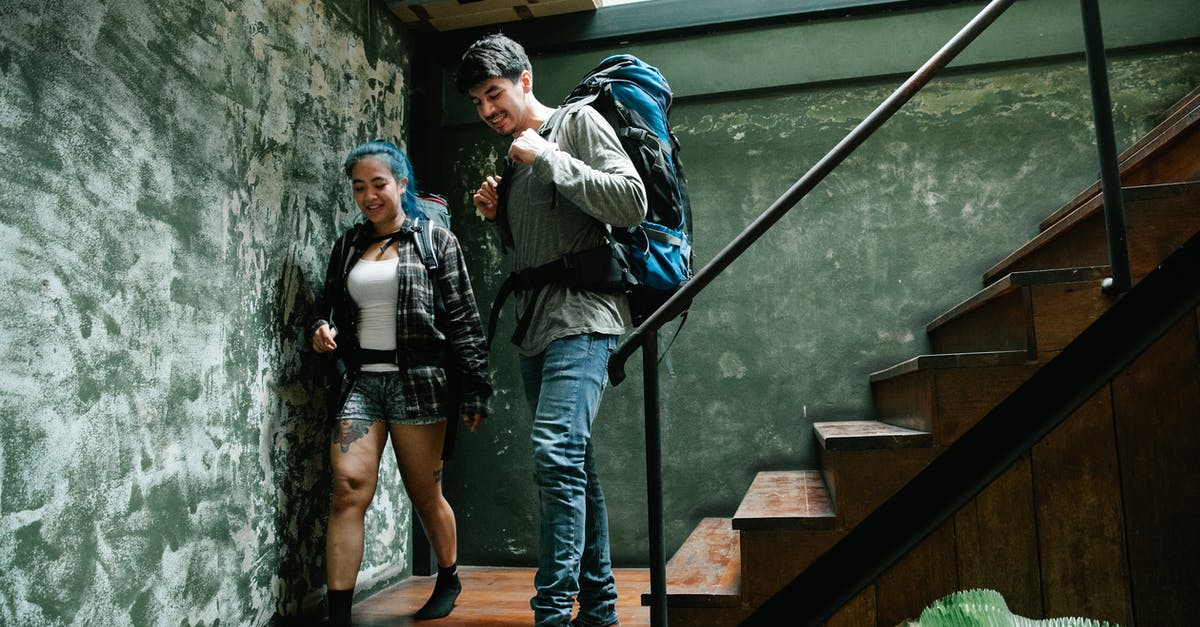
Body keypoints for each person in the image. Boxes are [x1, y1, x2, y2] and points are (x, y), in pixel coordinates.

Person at [455, 34, 647, 627]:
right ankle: (600, 610)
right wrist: (496, 217)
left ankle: (551, 614)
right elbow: (535, 252)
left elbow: (631, 201)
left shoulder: (576, 123)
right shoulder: (513, 156)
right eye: (477, 102)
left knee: (556, 451)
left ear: (525, 80)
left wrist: (547, 158)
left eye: (495, 93)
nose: (488, 109)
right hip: (536, 328)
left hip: (585, 319)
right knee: (574, 464)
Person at [307, 140, 491, 624]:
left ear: (401, 184)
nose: (369, 195)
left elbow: (464, 320)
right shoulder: (348, 244)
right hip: (363, 383)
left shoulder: (434, 241)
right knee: (348, 488)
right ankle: (340, 613)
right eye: (359, 187)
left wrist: (475, 386)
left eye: (379, 184)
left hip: (420, 381)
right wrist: (320, 328)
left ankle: (448, 576)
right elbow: (324, 306)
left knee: (424, 493)